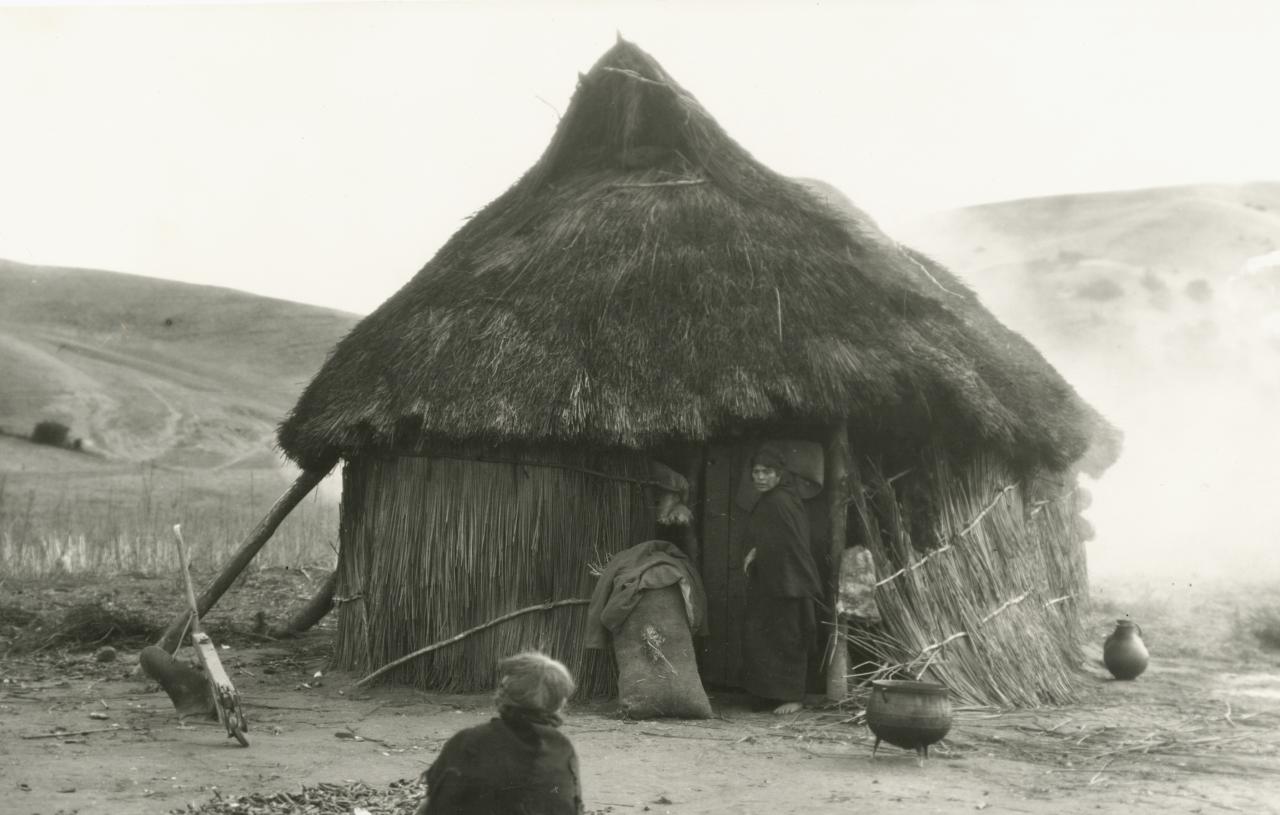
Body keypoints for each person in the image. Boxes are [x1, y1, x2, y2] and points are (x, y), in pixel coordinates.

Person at [415, 651, 583, 815]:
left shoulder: (468, 741)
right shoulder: (562, 749)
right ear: (558, 704)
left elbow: (435, 800)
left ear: (504, 695)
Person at [740, 443, 822, 715]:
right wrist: (758, 551)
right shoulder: (773, 499)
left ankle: (793, 696)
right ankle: (770, 694)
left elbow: (791, 543)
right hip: (774, 579)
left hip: (788, 582)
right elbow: (772, 537)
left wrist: (761, 554)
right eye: (756, 472)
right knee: (766, 637)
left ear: (778, 474)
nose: (760, 477)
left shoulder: (781, 500)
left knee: (787, 638)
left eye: (767, 472)